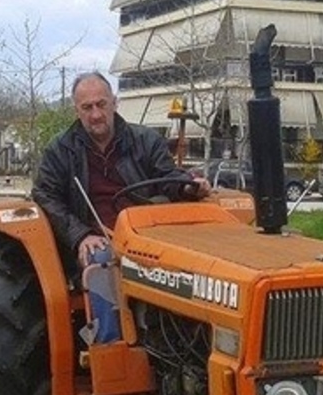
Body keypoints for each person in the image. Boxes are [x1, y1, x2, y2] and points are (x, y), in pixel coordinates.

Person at [33, 72, 210, 269]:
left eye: (101, 104)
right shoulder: (61, 149)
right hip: (97, 236)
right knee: (100, 258)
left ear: (114, 103)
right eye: (87, 107)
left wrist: (187, 186)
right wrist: (80, 234)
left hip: (143, 232)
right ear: (77, 111)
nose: (96, 115)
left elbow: (167, 177)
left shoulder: (146, 140)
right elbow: (46, 196)